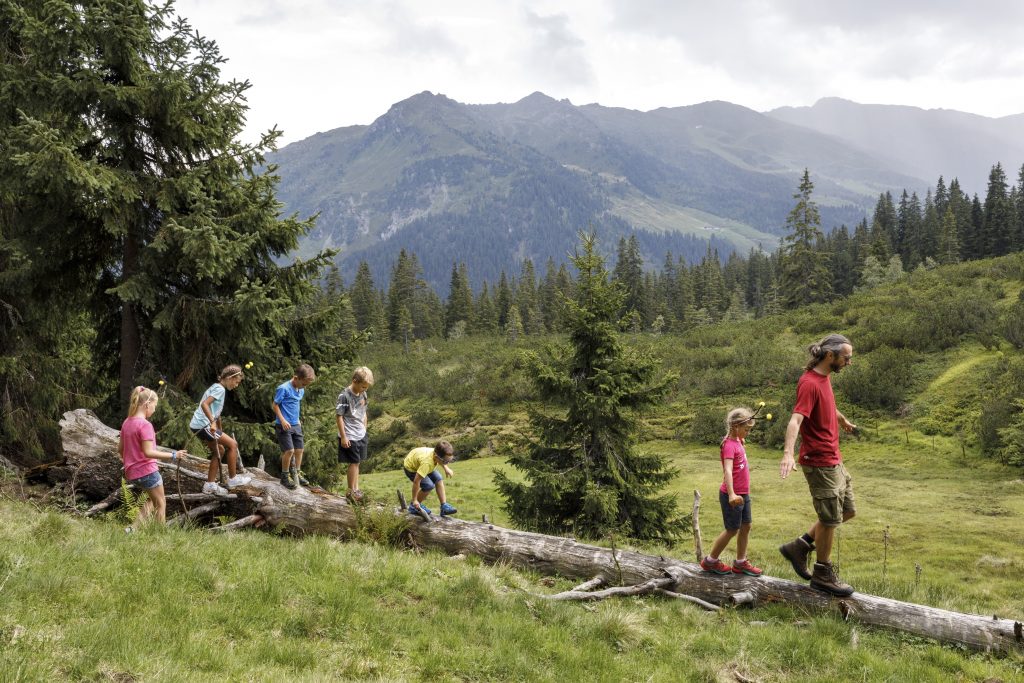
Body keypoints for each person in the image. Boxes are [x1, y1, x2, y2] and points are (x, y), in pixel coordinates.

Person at [779, 333, 858, 597]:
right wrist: (788, 453)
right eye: (846, 358)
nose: (849, 363)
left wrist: (842, 419)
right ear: (829, 355)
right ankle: (823, 574)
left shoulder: (824, 379)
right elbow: (795, 420)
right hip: (819, 462)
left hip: (834, 458)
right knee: (830, 518)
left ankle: (800, 545)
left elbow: (827, 405)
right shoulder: (809, 383)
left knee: (846, 511)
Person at [700, 406, 763, 577]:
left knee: (746, 526)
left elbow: (738, 455)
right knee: (732, 529)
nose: (748, 433)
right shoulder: (729, 445)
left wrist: (740, 440)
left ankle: (740, 563)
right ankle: (710, 561)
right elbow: (728, 470)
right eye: (746, 429)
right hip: (732, 494)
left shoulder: (737, 442)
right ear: (736, 427)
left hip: (744, 493)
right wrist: (732, 494)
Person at [119, 386, 188, 526]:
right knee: (161, 503)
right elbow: (148, 452)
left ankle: (132, 529)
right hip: (147, 471)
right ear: (147, 404)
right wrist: (174, 454)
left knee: (152, 501)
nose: (155, 409)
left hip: (132, 472)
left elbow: (120, 449)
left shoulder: (127, 422)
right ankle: (159, 535)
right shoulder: (145, 425)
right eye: (154, 405)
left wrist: (129, 461)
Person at [189, 364, 250, 495]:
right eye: (236, 381)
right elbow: (205, 404)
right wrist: (212, 422)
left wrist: (219, 429)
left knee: (220, 450)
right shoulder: (220, 389)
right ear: (229, 377)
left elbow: (216, 412)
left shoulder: (216, 387)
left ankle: (209, 485)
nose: (236, 385)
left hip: (198, 424)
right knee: (233, 445)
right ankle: (233, 479)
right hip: (202, 425)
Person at [272, 363, 316, 490]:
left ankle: (297, 472)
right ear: (295, 378)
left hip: (296, 424)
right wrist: (283, 420)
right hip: (284, 425)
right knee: (289, 451)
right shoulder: (283, 388)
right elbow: (275, 406)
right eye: (304, 384)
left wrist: (297, 419)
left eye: (306, 385)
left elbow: (295, 404)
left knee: (299, 450)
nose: (304, 387)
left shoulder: (300, 389)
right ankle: (284, 476)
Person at [336, 366, 374, 502]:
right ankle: (350, 492)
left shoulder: (363, 393)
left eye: (366, 387)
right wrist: (344, 436)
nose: (365, 390)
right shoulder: (344, 396)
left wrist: (365, 428)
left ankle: (356, 490)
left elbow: (364, 412)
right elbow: (339, 417)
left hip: (360, 433)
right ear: (354, 381)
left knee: (358, 463)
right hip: (349, 435)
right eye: (363, 387)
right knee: (354, 462)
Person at [403, 441, 457, 516]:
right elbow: (416, 481)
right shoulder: (427, 463)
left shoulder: (437, 453)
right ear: (436, 457)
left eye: (449, 460)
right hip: (411, 468)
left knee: (439, 478)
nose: (447, 463)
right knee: (428, 485)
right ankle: (413, 506)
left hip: (421, 462)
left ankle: (444, 506)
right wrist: (415, 500)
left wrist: (446, 468)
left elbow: (442, 460)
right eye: (445, 461)